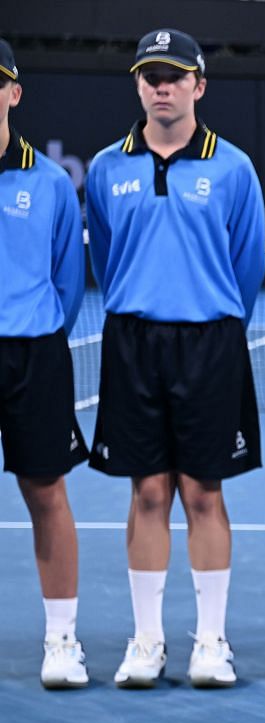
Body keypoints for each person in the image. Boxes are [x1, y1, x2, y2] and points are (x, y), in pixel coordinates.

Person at [85, 29, 265, 689]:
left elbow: (247, 267)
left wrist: (207, 310)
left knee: (203, 491)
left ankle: (210, 641)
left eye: (174, 76)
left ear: (199, 85)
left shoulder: (233, 168)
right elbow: (104, 260)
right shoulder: (107, 168)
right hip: (133, 342)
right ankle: (147, 640)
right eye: (151, 76)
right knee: (148, 490)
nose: (162, 87)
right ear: (138, 86)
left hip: (210, 342)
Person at [0, 40, 91, 688]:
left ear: (13, 93)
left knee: (46, 495)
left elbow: (67, 280)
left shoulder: (50, 183)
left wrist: (30, 327)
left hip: (32, 353)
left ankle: (61, 640)